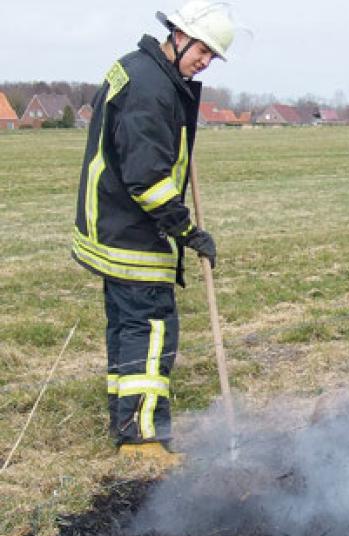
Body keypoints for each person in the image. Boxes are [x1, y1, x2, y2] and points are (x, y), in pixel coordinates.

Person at [71, 1, 236, 463]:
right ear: (179, 35)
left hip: (110, 226)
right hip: (131, 234)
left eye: (212, 57)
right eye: (203, 50)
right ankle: (142, 442)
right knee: (151, 329)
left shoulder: (138, 69)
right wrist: (186, 231)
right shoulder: (151, 88)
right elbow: (147, 177)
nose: (205, 61)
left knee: (127, 329)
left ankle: (126, 423)